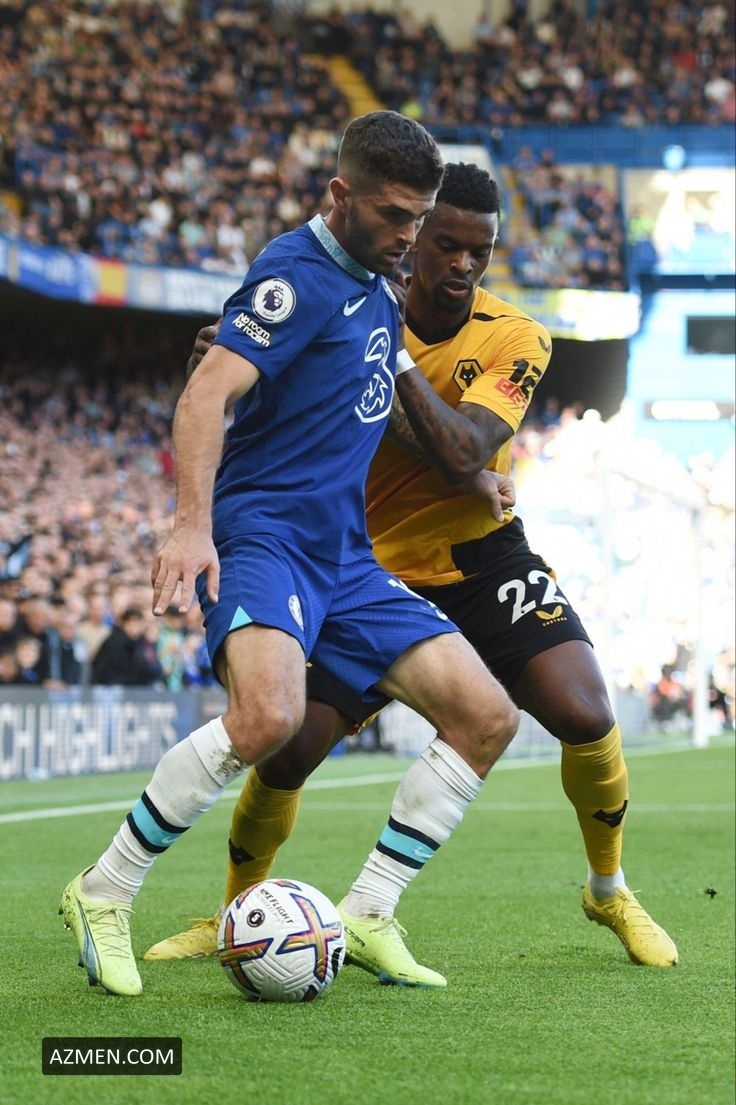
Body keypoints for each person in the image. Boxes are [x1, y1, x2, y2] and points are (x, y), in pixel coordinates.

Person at [145, 162, 677, 981]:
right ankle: (235, 913)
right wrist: (259, 355)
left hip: (480, 556)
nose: (463, 264)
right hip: (365, 561)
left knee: (584, 707)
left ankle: (608, 887)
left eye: (480, 250)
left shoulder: (516, 337)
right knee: (287, 749)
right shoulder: (347, 297)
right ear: (414, 235)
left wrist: (387, 356)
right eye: (446, 244)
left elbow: (464, 448)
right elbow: (270, 380)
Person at [59, 114, 520, 996]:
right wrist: (191, 525)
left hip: (344, 554)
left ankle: (370, 910)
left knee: (486, 714)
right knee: (268, 718)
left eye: (418, 218)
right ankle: (104, 889)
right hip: (266, 535)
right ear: (340, 195)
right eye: (394, 215)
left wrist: (473, 478)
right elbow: (206, 394)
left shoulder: (377, 284)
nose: (410, 236)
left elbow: (371, 400)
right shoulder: (295, 274)